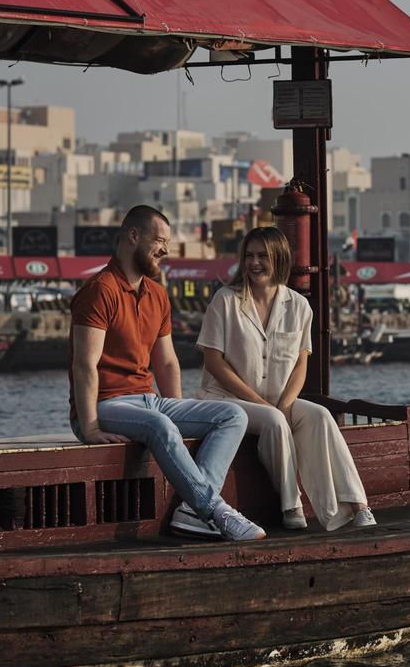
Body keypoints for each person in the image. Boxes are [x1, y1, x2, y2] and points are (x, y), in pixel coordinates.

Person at [69, 205, 265, 542]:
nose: (166, 250)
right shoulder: (100, 289)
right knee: (160, 424)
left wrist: (179, 415)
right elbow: (84, 363)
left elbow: (168, 363)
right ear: (133, 236)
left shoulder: (157, 294)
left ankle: (190, 512)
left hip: (150, 402)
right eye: (159, 240)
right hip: (105, 405)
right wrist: (88, 427)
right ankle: (216, 512)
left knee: (232, 415)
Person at [195, 226, 375, 531]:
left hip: (279, 399)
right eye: (249, 255)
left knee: (320, 416)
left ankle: (358, 505)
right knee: (275, 421)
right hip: (227, 399)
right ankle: (292, 505)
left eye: (263, 256)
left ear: (279, 258)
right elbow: (214, 363)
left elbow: (300, 364)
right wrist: (266, 405)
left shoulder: (300, 306)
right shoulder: (225, 300)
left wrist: (286, 403)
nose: (254, 263)